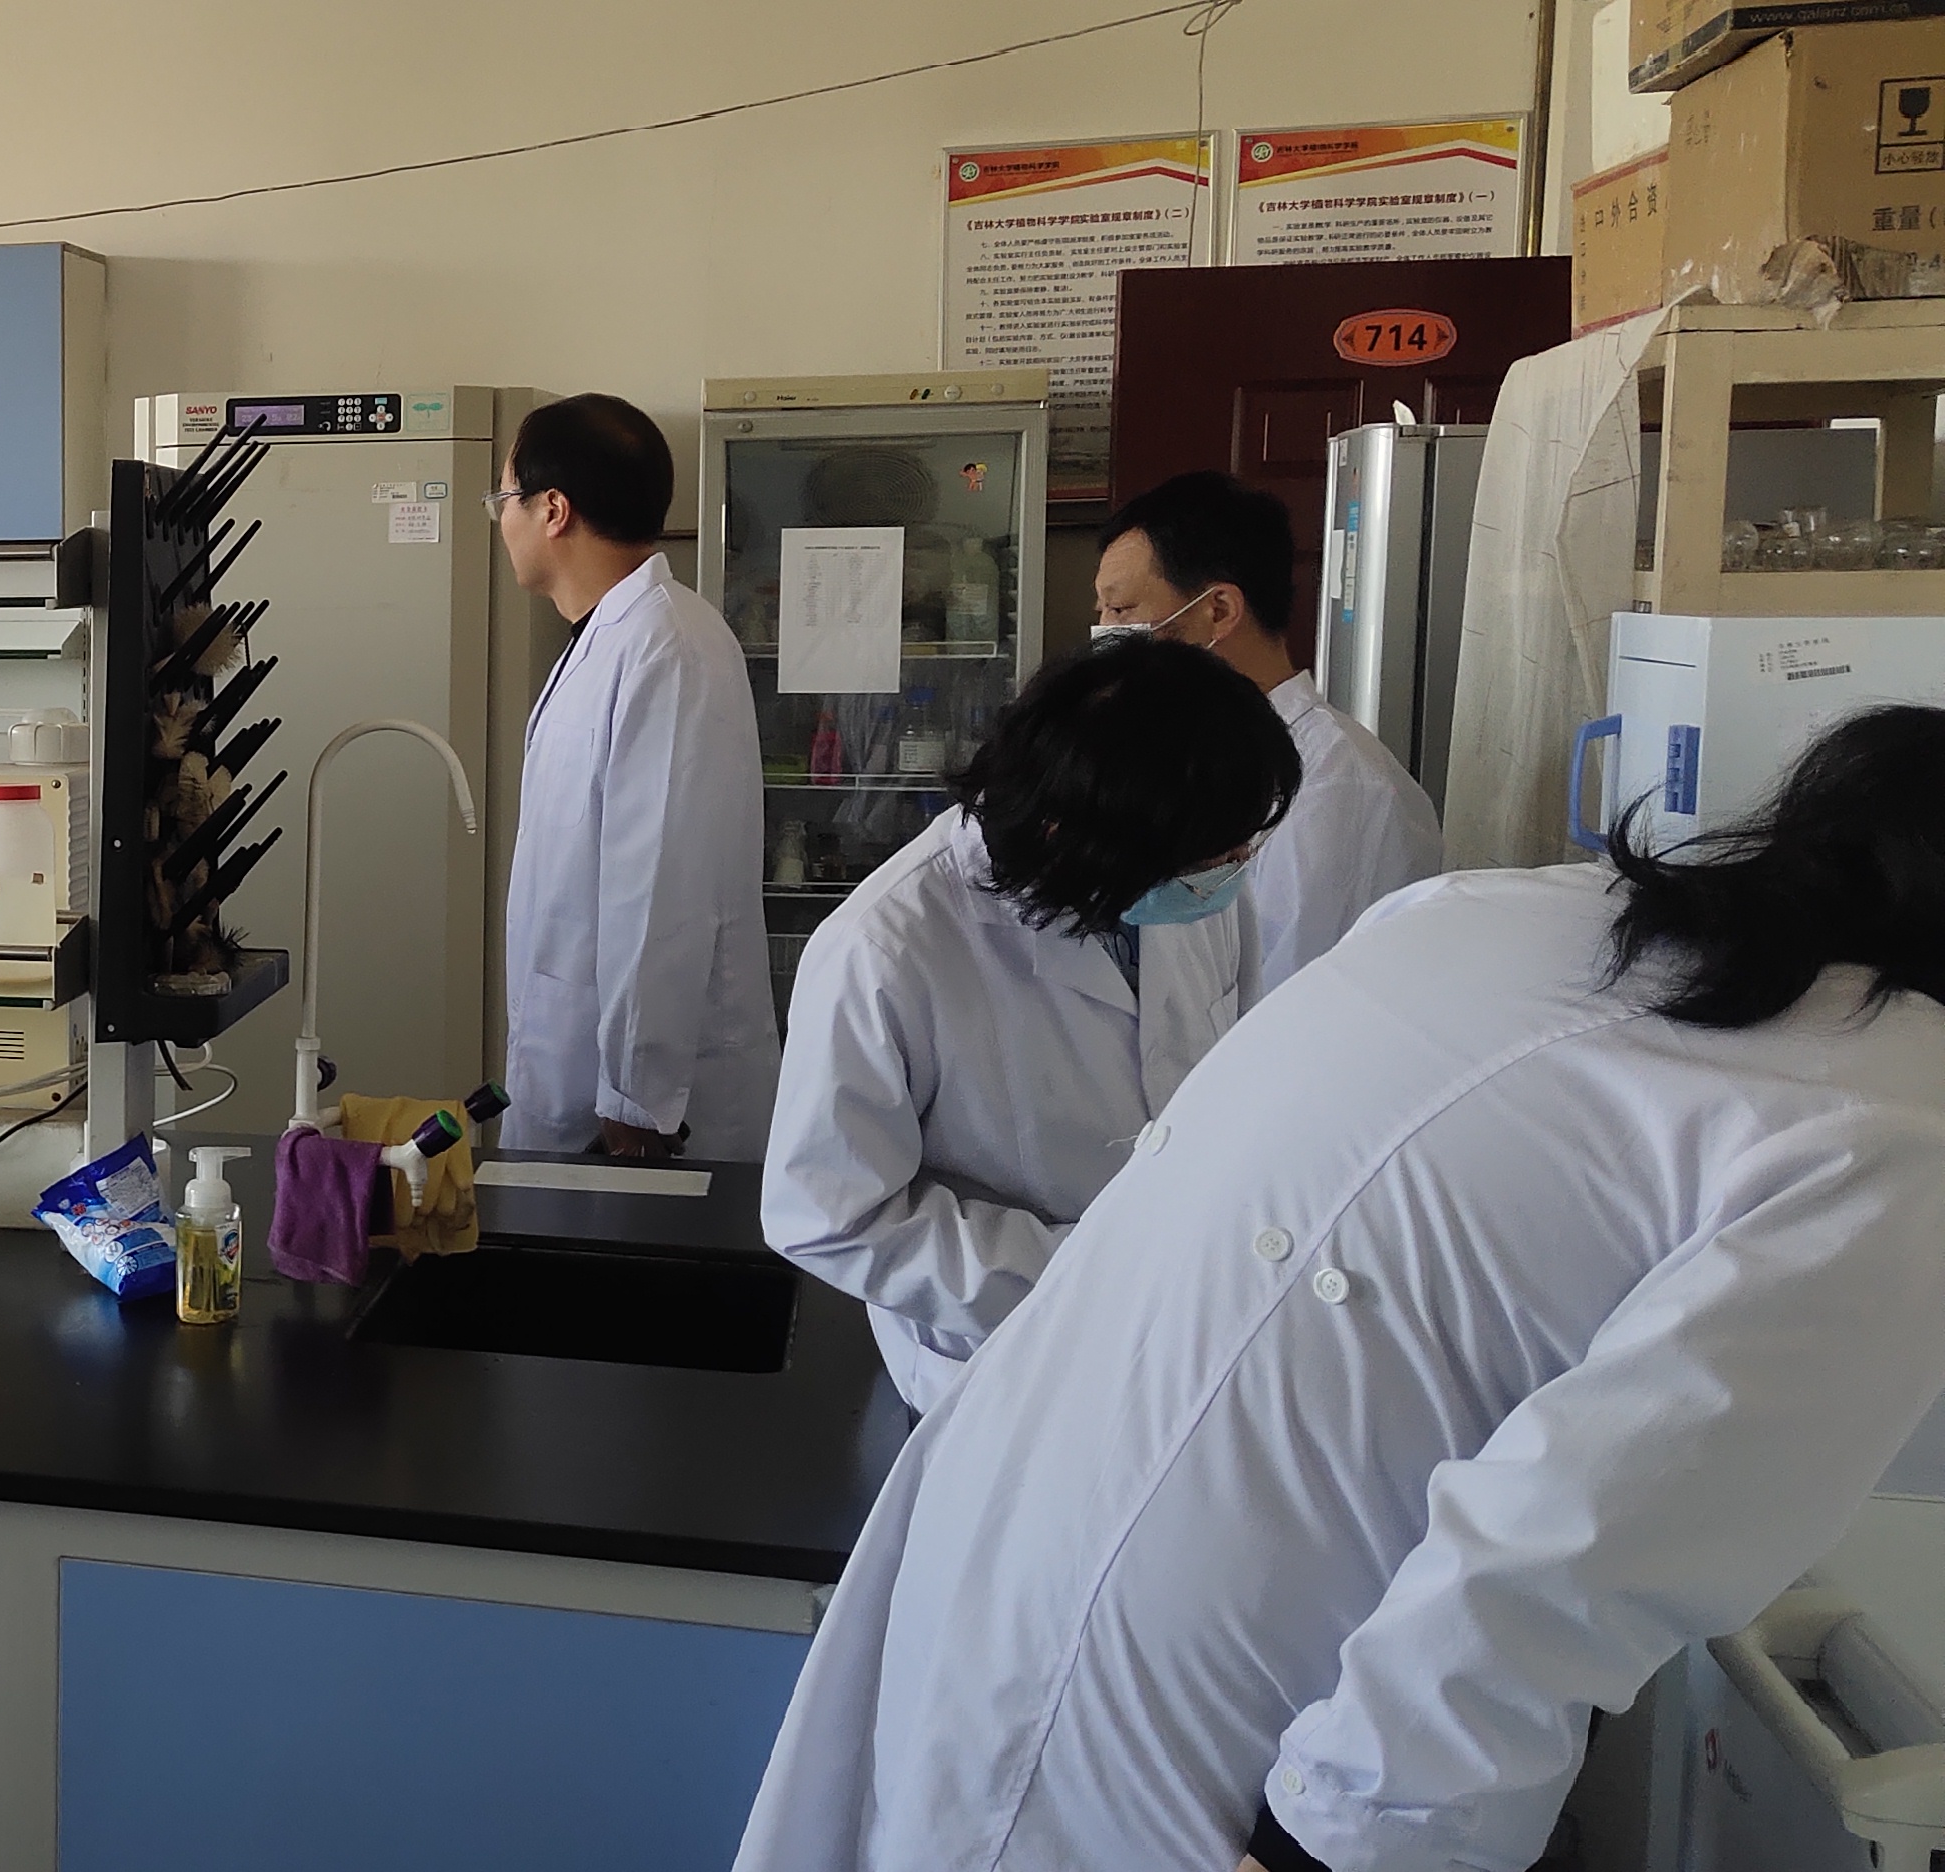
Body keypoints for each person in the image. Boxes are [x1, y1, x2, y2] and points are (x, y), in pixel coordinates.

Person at [732, 707, 1945, 1872]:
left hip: (1020, 1527)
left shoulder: (1499, 910)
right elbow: (1572, 1553)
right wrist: (1337, 1846)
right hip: (1209, 1655)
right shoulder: (1891, 1127)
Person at [758, 634, 1298, 1414]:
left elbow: (1233, 1068)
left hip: (1188, 1324)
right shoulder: (885, 951)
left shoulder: (1188, 875)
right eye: (1211, 856)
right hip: (999, 1362)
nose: (1234, 866)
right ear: (1072, 838)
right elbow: (830, 1215)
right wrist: (1093, 1269)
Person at [491, 393, 778, 1161]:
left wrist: (634, 1096)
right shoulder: (608, 640)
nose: (501, 520)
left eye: (504, 498)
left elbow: (660, 888)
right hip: (579, 1070)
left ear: (553, 510)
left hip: (645, 1112)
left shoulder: (667, 646)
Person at [1095, 469, 1441, 993]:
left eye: (1120, 609)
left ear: (1218, 611)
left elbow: (1290, 1003)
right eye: (1102, 611)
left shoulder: (1337, 788)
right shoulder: (1193, 760)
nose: (1105, 632)